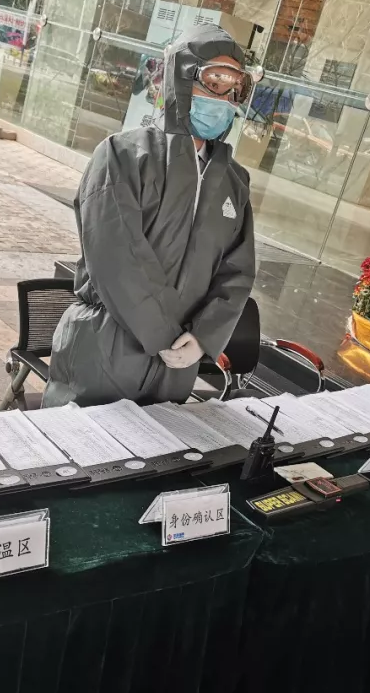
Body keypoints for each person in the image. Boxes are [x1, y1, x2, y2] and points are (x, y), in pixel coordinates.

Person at [43, 24, 257, 408]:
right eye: (214, 81)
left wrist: (203, 338)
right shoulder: (122, 156)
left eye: (234, 88)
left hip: (178, 363)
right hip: (107, 345)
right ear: (181, 78)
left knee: (158, 443)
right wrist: (163, 335)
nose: (224, 98)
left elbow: (237, 271)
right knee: (82, 442)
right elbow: (114, 256)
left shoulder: (234, 182)